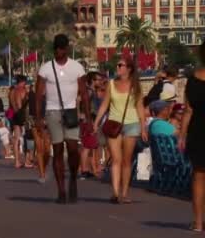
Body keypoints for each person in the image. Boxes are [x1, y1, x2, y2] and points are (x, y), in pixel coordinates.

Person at [35, 34, 90, 204]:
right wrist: (38, 118)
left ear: (67, 48)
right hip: (53, 112)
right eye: (56, 48)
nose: (59, 51)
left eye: (62, 48)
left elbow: (85, 94)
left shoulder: (77, 68)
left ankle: (73, 177)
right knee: (57, 150)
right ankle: (61, 190)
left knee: (73, 149)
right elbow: (38, 96)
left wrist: (87, 116)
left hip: (71, 111)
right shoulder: (45, 69)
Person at [94, 57, 147, 204]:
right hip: (113, 124)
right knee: (116, 159)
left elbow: (140, 107)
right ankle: (116, 192)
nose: (117, 67)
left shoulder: (135, 85)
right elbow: (105, 104)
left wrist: (143, 128)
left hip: (132, 124)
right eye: (117, 65)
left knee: (126, 160)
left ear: (128, 68)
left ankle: (124, 193)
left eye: (120, 65)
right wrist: (96, 122)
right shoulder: (111, 84)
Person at [179, 41, 205, 232]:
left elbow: (188, 110)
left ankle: (197, 223)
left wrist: (182, 134)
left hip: (198, 132)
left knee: (198, 176)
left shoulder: (192, 80)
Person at [80, 72, 105, 179]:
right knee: (86, 147)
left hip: (90, 120)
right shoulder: (89, 92)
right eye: (98, 80)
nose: (100, 81)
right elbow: (80, 102)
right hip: (88, 121)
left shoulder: (91, 92)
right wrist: (83, 116)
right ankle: (84, 170)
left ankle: (88, 169)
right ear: (92, 81)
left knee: (90, 146)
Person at [28, 82, 51, 183]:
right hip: (35, 122)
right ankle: (41, 174)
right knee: (40, 148)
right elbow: (31, 112)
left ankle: (43, 168)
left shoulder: (50, 96)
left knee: (47, 151)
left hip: (48, 123)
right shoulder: (32, 96)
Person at [10, 75, 29, 168]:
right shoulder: (21, 90)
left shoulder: (12, 91)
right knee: (26, 137)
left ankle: (17, 161)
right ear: (22, 82)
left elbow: (13, 104)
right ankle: (27, 160)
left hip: (14, 115)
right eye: (25, 82)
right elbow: (19, 104)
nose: (25, 84)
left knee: (16, 138)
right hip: (21, 114)